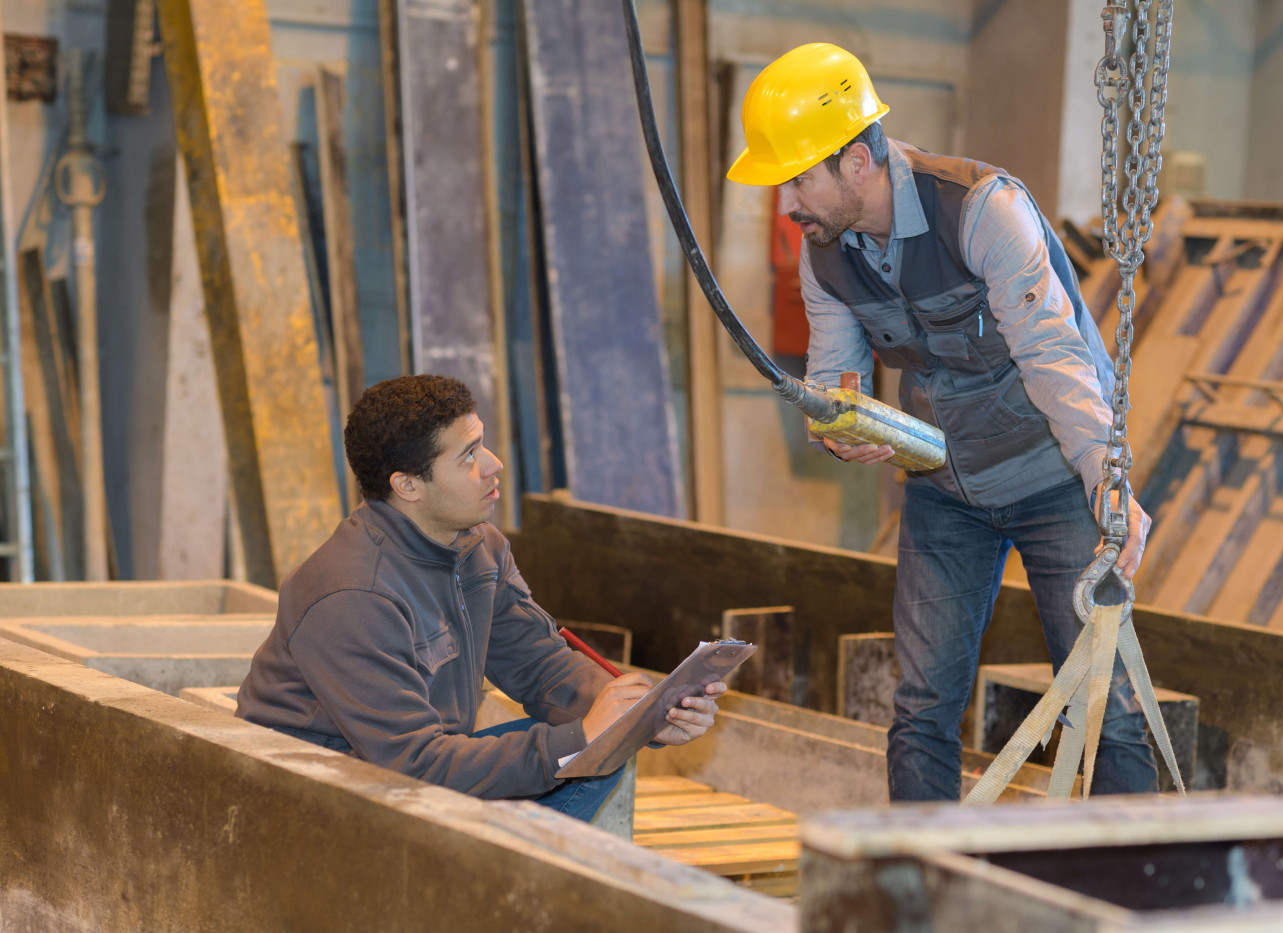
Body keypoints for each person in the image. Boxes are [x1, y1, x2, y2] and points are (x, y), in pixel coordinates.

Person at [726, 44, 1157, 801]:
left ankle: (1133, 902)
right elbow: (832, 379)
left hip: (1056, 479)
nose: (788, 203)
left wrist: (1105, 477)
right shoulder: (824, 255)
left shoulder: (983, 209)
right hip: (945, 489)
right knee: (921, 710)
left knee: (1105, 709)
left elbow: (1054, 355)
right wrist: (836, 427)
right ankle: (923, 901)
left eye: (797, 179)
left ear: (857, 160)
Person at [237, 374, 724, 820]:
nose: (494, 464)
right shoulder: (351, 595)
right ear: (408, 486)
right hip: (314, 804)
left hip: (404, 770)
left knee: (594, 758)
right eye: (467, 455)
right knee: (576, 752)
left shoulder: (477, 546)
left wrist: (641, 716)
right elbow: (413, 764)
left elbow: (541, 666)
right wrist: (582, 737)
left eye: (483, 444)